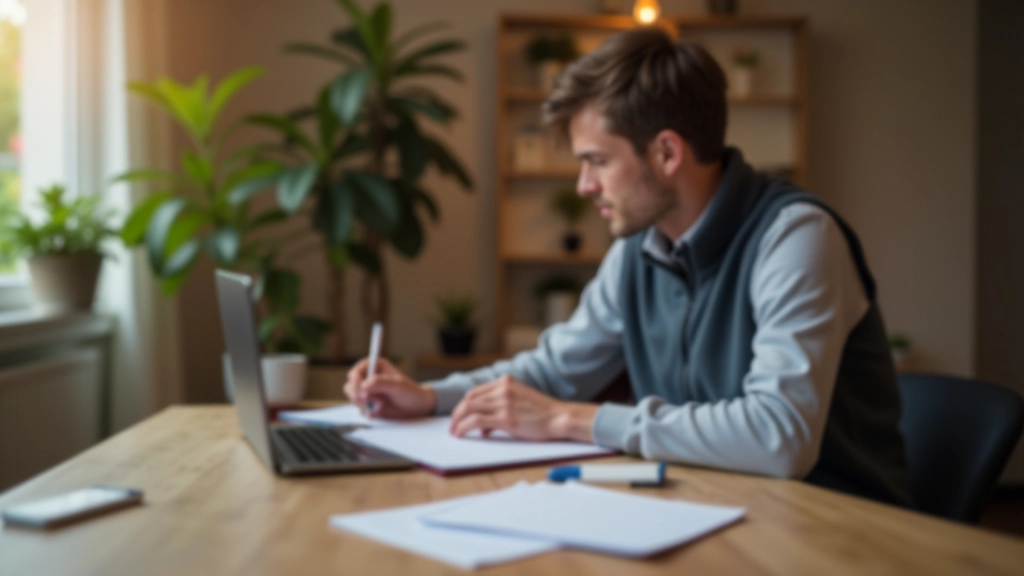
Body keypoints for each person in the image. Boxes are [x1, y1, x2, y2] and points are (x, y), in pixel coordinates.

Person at [344, 28, 910, 506]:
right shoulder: (638, 252)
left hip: (832, 524)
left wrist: (572, 421)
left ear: (666, 153)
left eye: (596, 161)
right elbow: (552, 371)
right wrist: (429, 397)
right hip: (711, 505)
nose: (583, 186)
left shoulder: (795, 237)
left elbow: (780, 436)